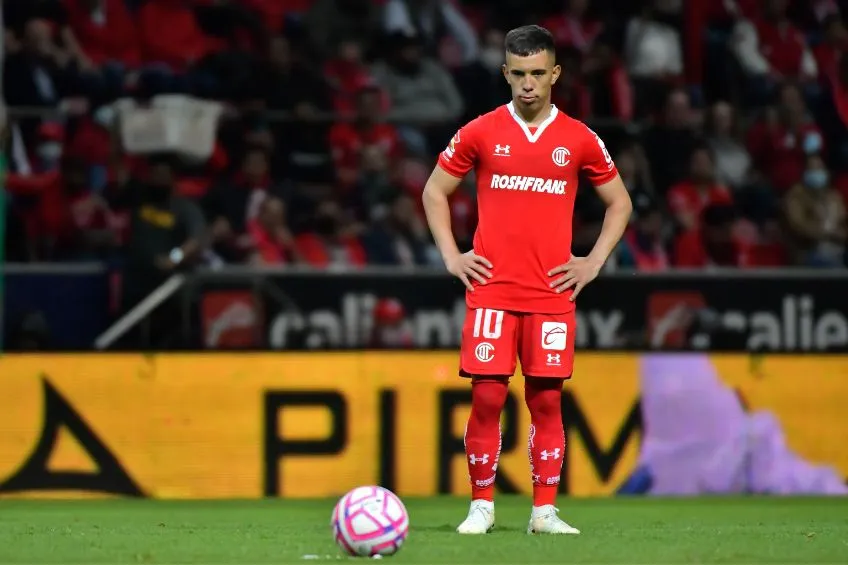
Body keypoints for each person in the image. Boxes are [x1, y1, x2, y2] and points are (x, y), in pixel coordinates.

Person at [421, 24, 632, 536]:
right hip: (492, 289)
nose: (528, 84)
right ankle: (481, 507)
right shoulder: (480, 131)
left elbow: (619, 203)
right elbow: (433, 191)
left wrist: (593, 261)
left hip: (551, 293)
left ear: (555, 73)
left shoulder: (579, 138)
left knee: (547, 400)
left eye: (538, 73)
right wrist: (452, 256)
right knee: (488, 396)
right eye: (518, 74)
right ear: (505, 74)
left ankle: (543, 511)